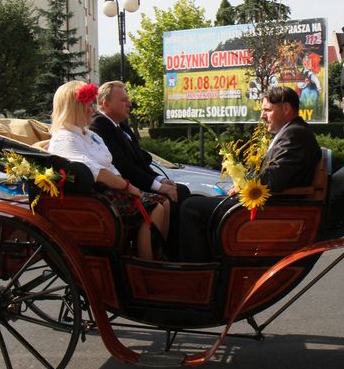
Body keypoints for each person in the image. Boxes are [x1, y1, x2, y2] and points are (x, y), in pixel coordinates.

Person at [178, 86, 321, 260]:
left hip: (273, 208)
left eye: (268, 110)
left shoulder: (295, 134)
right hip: (270, 203)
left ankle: (198, 269)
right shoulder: (292, 132)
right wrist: (242, 183)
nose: (262, 116)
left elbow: (274, 178)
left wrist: (244, 186)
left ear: (286, 109)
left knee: (190, 207)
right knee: (192, 202)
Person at [48, 81, 169, 260]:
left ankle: (156, 256)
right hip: (97, 196)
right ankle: (147, 262)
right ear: (75, 108)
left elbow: (110, 165)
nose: (93, 110)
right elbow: (98, 173)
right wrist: (129, 187)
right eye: (88, 106)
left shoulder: (90, 135)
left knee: (163, 203)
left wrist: (125, 185)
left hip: (110, 190)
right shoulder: (64, 139)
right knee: (156, 207)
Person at [89, 81, 190, 257]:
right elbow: (123, 166)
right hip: (120, 186)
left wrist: (161, 179)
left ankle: (173, 252)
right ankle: (164, 254)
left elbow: (140, 161)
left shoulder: (121, 126)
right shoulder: (100, 125)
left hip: (134, 180)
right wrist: (158, 187)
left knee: (180, 191)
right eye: (123, 100)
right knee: (171, 197)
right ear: (106, 104)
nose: (129, 104)